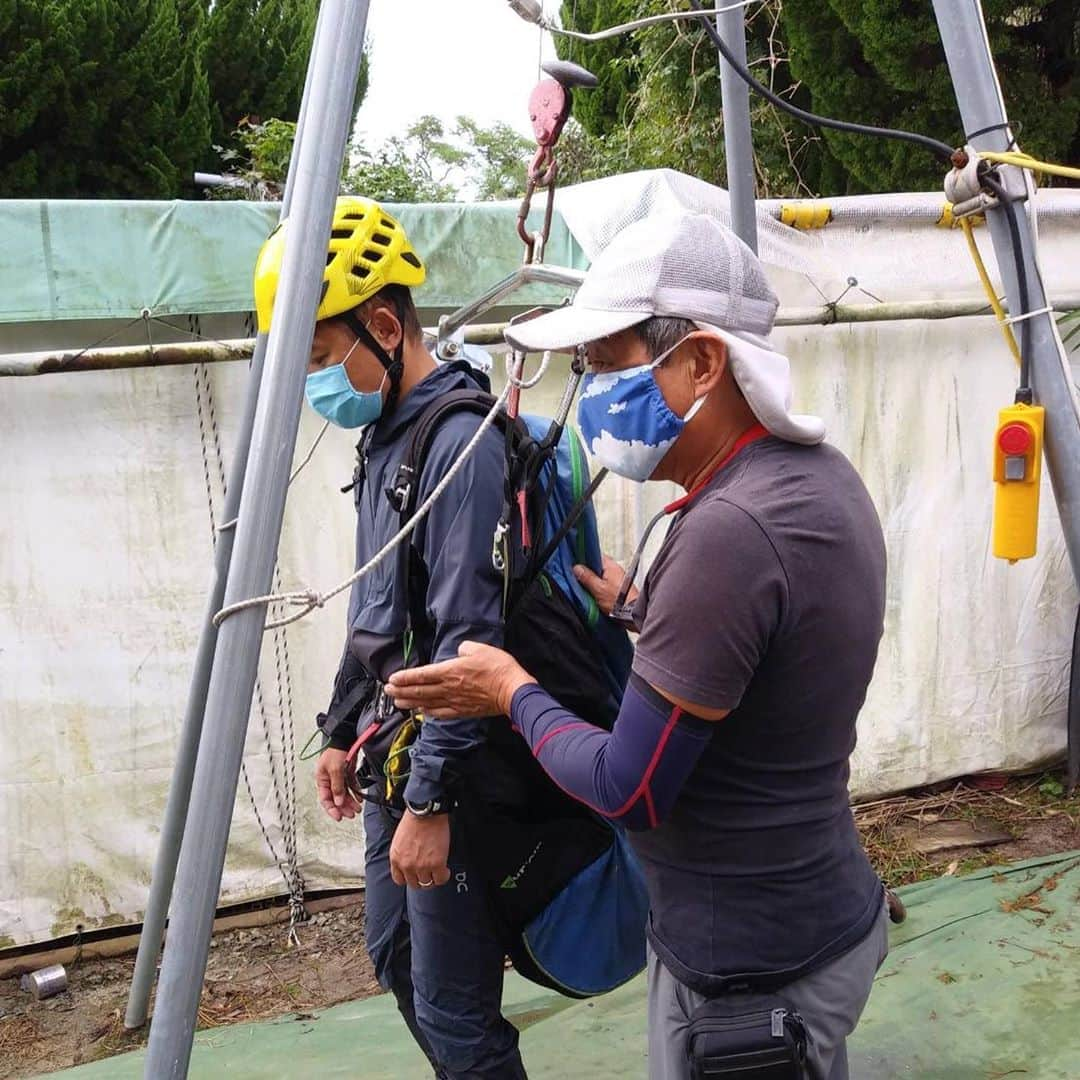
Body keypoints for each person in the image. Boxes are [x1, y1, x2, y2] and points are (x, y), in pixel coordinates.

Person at [387, 209, 890, 1080]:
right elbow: (770, 657)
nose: (589, 394)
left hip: (749, 972)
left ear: (702, 360)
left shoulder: (729, 533)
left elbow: (632, 788)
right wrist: (645, 612)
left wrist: (511, 691)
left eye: (608, 364)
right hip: (818, 913)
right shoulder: (814, 481)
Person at [253, 196, 528, 1079]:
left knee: (453, 1007)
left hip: (446, 765)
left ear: (382, 323)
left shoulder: (459, 443)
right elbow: (378, 607)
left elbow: (465, 642)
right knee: (395, 957)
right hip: (391, 750)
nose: (315, 383)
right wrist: (339, 731)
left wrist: (430, 804)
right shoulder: (386, 438)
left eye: (321, 357)